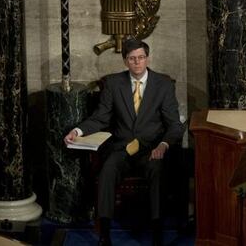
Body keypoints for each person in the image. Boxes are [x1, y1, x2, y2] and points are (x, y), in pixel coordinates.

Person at [64, 38, 184, 246]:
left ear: (147, 59)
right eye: (132, 59)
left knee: (157, 170)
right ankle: (105, 233)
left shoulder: (163, 85)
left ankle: (157, 231)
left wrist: (163, 145)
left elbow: (174, 124)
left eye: (141, 58)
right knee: (107, 170)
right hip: (121, 148)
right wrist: (77, 130)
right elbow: (100, 117)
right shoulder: (113, 83)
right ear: (125, 61)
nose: (137, 62)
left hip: (151, 148)